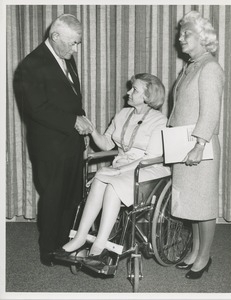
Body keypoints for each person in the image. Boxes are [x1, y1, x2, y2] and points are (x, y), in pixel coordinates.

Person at [54, 73, 171, 269]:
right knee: (101, 179)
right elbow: (107, 144)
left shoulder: (159, 120)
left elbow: (150, 157)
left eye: (134, 89)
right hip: (122, 166)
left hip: (148, 169)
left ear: (148, 96)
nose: (128, 92)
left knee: (109, 182)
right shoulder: (123, 114)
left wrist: (116, 171)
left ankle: (99, 245)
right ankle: (81, 237)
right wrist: (92, 130)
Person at [14, 14, 93, 266]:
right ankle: (48, 251)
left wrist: (83, 127)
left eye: (78, 43)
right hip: (49, 147)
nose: (76, 49)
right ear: (55, 36)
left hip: (71, 142)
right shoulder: (31, 65)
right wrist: (72, 122)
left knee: (72, 196)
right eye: (73, 43)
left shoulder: (65, 55)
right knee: (52, 197)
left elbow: (71, 99)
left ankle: (64, 244)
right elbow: (36, 108)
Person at [168, 11, 225, 279]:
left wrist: (200, 145)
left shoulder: (210, 67)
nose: (181, 38)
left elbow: (211, 111)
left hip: (200, 148)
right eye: (181, 33)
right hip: (184, 145)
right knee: (190, 203)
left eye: (186, 33)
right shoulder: (191, 66)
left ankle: (204, 256)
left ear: (203, 37)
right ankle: (194, 251)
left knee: (203, 205)